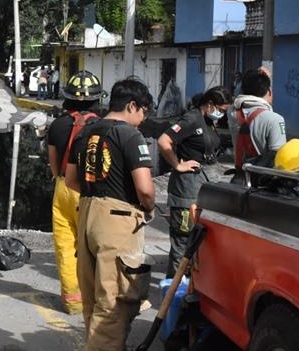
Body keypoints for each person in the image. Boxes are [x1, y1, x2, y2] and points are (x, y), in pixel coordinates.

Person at [65, 78, 155, 351]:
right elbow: (145, 189)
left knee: (93, 299)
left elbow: (70, 180)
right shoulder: (129, 135)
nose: (143, 119)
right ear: (132, 106)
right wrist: (148, 209)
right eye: (143, 111)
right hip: (117, 220)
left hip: (88, 216)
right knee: (115, 300)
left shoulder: (85, 132)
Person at [158, 86, 232, 277]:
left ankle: (189, 288)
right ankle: (175, 291)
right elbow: (163, 141)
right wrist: (177, 164)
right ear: (209, 104)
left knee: (197, 242)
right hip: (186, 188)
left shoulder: (207, 121)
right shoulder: (191, 119)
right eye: (221, 110)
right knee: (183, 243)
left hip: (202, 184)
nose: (222, 115)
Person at [46, 71, 103, 314]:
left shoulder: (57, 124)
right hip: (89, 189)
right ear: (96, 99)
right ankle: (96, 299)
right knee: (93, 247)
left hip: (62, 188)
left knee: (65, 246)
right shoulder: (100, 125)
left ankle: (72, 302)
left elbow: (53, 162)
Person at [227, 69, 286, 178]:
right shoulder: (274, 119)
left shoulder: (232, 112)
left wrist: (254, 77)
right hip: (263, 180)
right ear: (269, 91)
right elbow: (278, 157)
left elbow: (241, 94)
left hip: (240, 176)